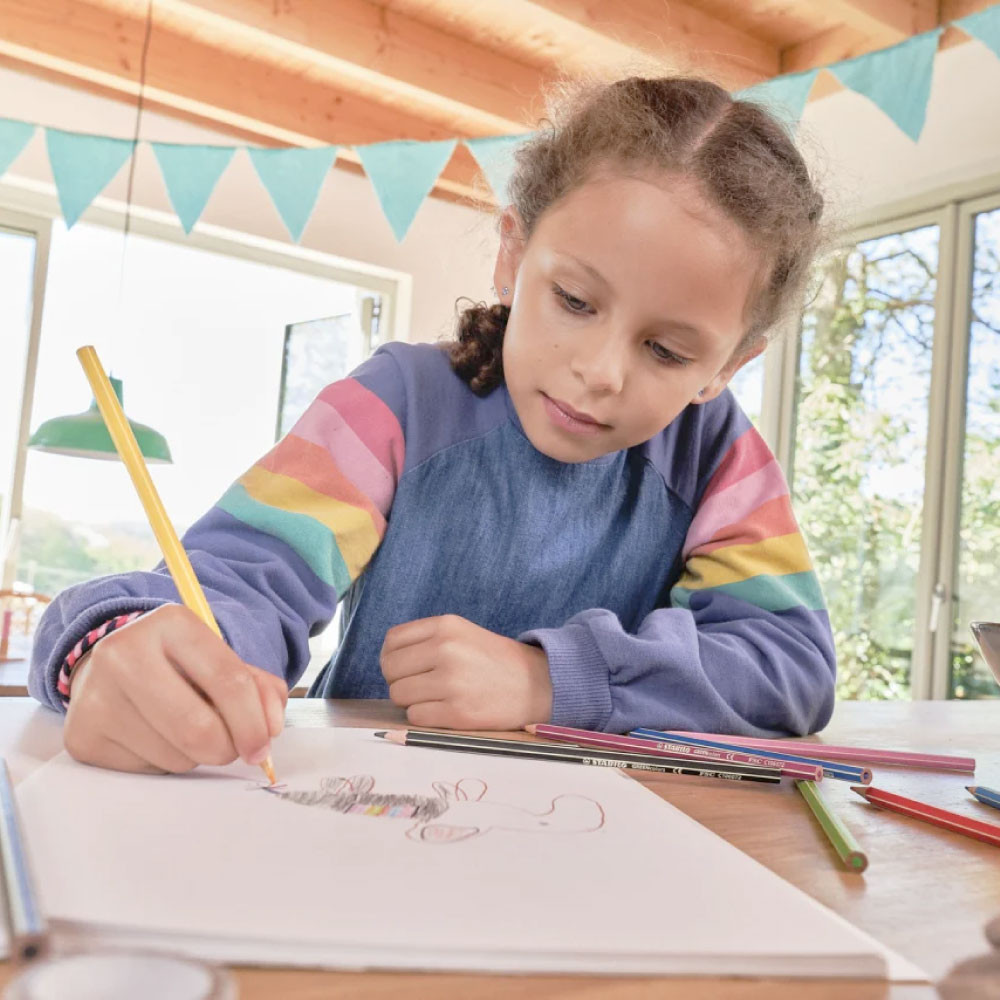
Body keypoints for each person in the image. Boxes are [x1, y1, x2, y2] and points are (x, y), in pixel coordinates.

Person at [29, 76, 836, 776]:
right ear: (513, 257)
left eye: (665, 351)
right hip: (363, 824)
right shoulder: (398, 403)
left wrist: (551, 681)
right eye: (574, 300)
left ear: (727, 366)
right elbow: (240, 584)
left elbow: (789, 665)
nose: (601, 372)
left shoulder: (717, 453)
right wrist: (123, 648)